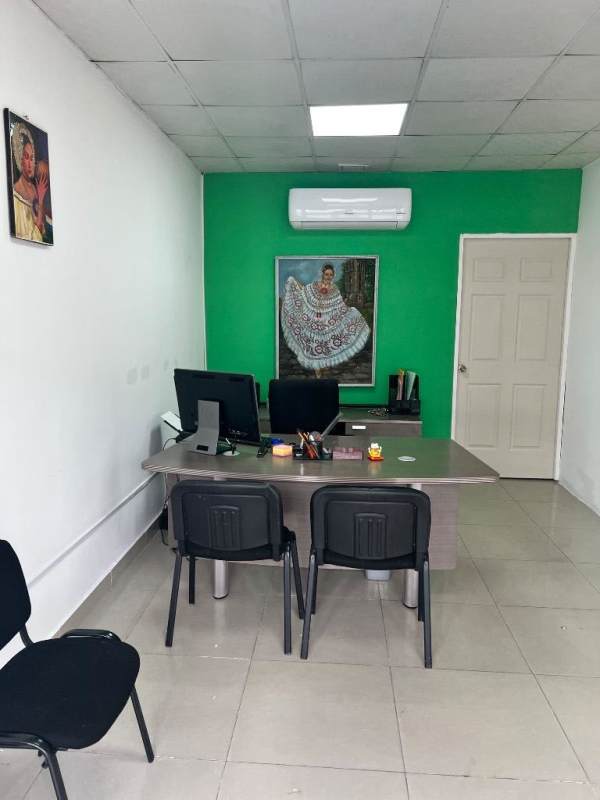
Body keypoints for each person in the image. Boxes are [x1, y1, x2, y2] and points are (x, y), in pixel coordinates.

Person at [281, 263, 370, 378]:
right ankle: (317, 369)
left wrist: (350, 313)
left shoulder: (335, 290)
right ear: (323, 274)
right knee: (314, 343)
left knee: (324, 344)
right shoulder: (315, 285)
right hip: (314, 319)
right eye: (326, 274)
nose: (328, 276)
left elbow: (340, 306)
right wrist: (294, 282)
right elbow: (304, 291)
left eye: (331, 275)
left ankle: (321, 366)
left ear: (333, 276)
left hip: (326, 322)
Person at [11, 123, 48, 242]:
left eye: (32, 158)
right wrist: (41, 200)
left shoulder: (35, 188)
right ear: (19, 158)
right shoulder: (15, 197)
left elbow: (43, 231)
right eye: (26, 157)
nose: (30, 164)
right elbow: (35, 238)